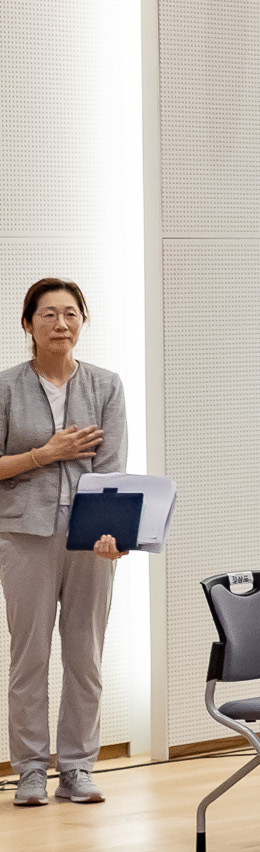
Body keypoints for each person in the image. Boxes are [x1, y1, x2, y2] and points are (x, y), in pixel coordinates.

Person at [0, 280, 127, 809]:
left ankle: (77, 767)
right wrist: (45, 454)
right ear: (28, 324)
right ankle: (30, 769)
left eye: (71, 313)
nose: (61, 324)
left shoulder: (106, 385)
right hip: (23, 534)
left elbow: (113, 468)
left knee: (85, 656)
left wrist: (113, 534)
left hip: (88, 539)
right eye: (48, 314)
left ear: (83, 321)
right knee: (29, 656)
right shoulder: (5, 387)